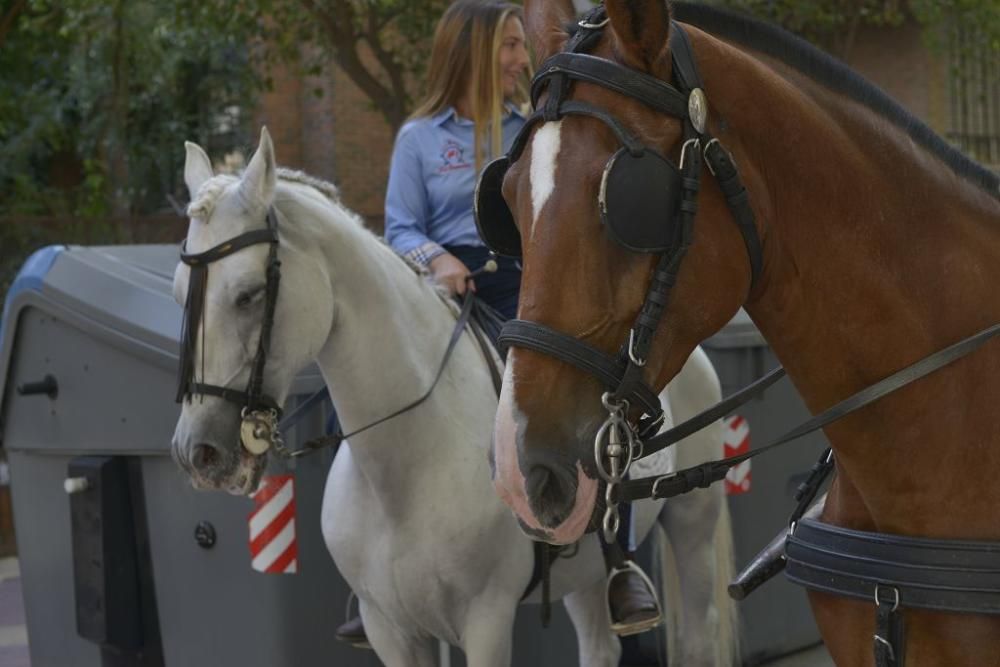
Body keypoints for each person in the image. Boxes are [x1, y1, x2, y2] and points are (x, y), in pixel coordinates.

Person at [335, 0, 660, 649]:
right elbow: (400, 224)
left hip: (522, 291)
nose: (521, 58)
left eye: (519, 47)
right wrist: (439, 259)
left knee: (594, 396)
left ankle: (617, 556)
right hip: (442, 296)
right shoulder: (419, 139)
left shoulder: (533, 125)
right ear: (472, 54)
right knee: (346, 394)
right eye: (511, 47)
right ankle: (365, 574)